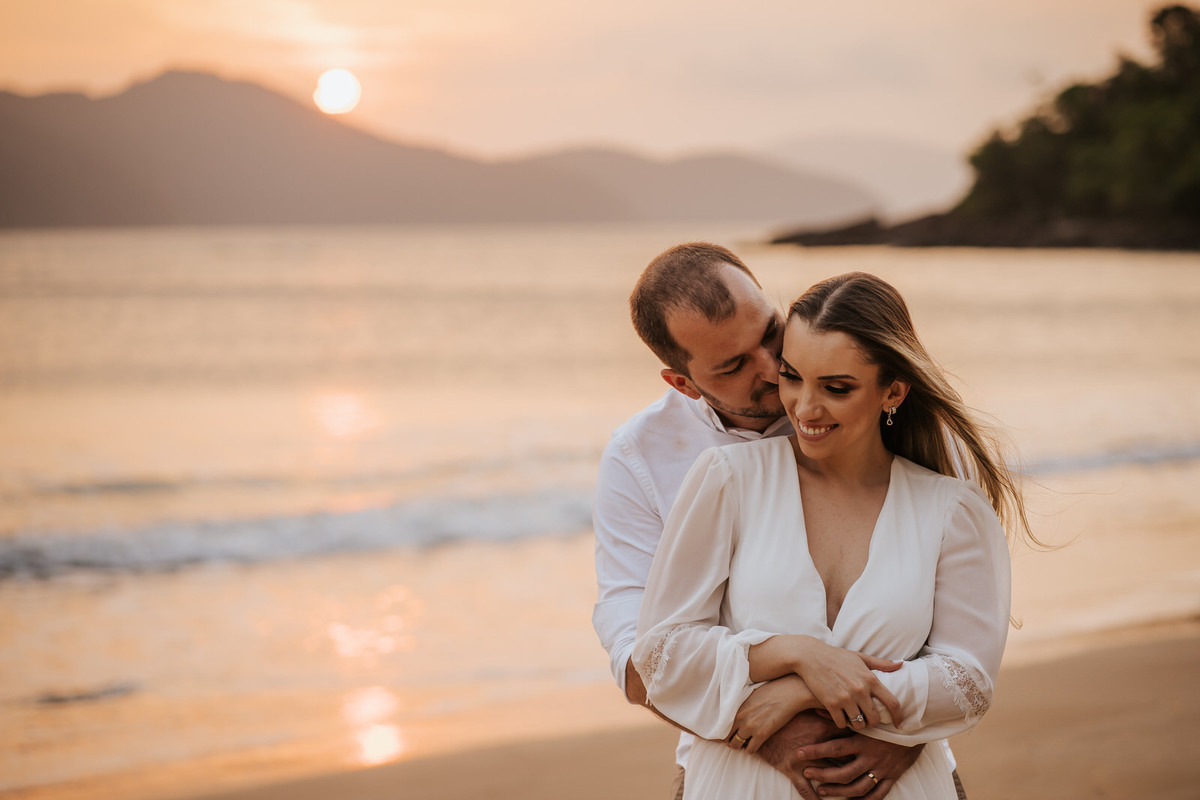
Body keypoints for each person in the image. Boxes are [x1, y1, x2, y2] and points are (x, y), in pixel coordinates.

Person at [632, 271, 1024, 799]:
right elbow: (662, 655)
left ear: (893, 392)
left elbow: (968, 684)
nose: (804, 408)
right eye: (792, 376)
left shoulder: (952, 510)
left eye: (836, 388)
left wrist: (798, 693)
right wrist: (794, 655)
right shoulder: (727, 478)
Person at [593, 246, 928, 800]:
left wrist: (906, 736)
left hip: (900, 763)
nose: (774, 369)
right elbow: (638, 661)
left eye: (770, 333)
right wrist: (767, 737)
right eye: (733, 366)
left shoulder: (866, 398)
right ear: (683, 383)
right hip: (734, 764)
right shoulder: (639, 457)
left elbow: (961, 601)